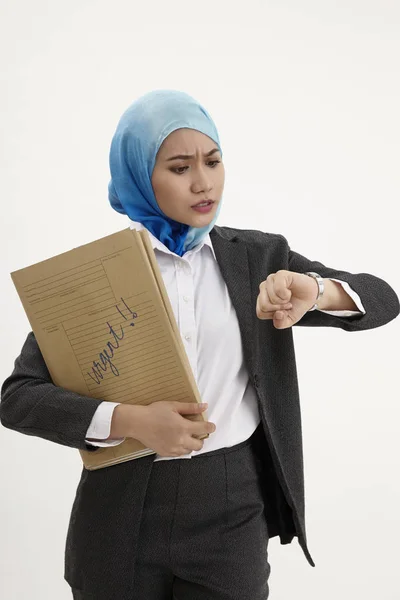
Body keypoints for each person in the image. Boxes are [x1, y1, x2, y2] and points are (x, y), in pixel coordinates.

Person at [1, 90, 399, 600]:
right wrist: (132, 422)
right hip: (119, 512)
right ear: (140, 176)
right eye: (179, 167)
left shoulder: (257, 259)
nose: (203, 182)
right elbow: (18, 398)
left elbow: (384, 299)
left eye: (213, 161)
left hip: (230, 504)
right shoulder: (93, 277)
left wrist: (315, 291)